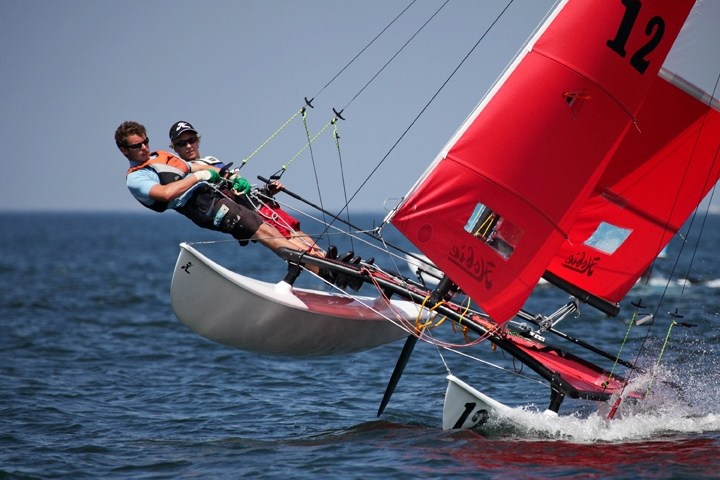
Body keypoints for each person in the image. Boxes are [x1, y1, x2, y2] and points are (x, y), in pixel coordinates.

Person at [115, 121, 324, 269]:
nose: (144, 148)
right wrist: (200, 177)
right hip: (200, 206)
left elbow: (195, 168)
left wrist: (227, 176)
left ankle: (322, 261)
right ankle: (317, 264)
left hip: (213, 197)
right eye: (136, 146)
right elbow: (166, 193)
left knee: (271, 224)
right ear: (124, 150)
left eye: (145, 142)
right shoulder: (136, 177)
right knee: (262, 230)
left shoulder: (161, 157)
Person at [167, 121, 322, 255]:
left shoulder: (211, 160)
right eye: (182, 143)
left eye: (191, 140)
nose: (188, 146)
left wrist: (267, 191)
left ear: (197, 140)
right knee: (288, 238)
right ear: (174, 147)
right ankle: (320, 263)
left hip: (259, 205)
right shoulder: (183, 174)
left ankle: (327, 257)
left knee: (296, 231)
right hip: (250, 215)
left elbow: (238, 189)